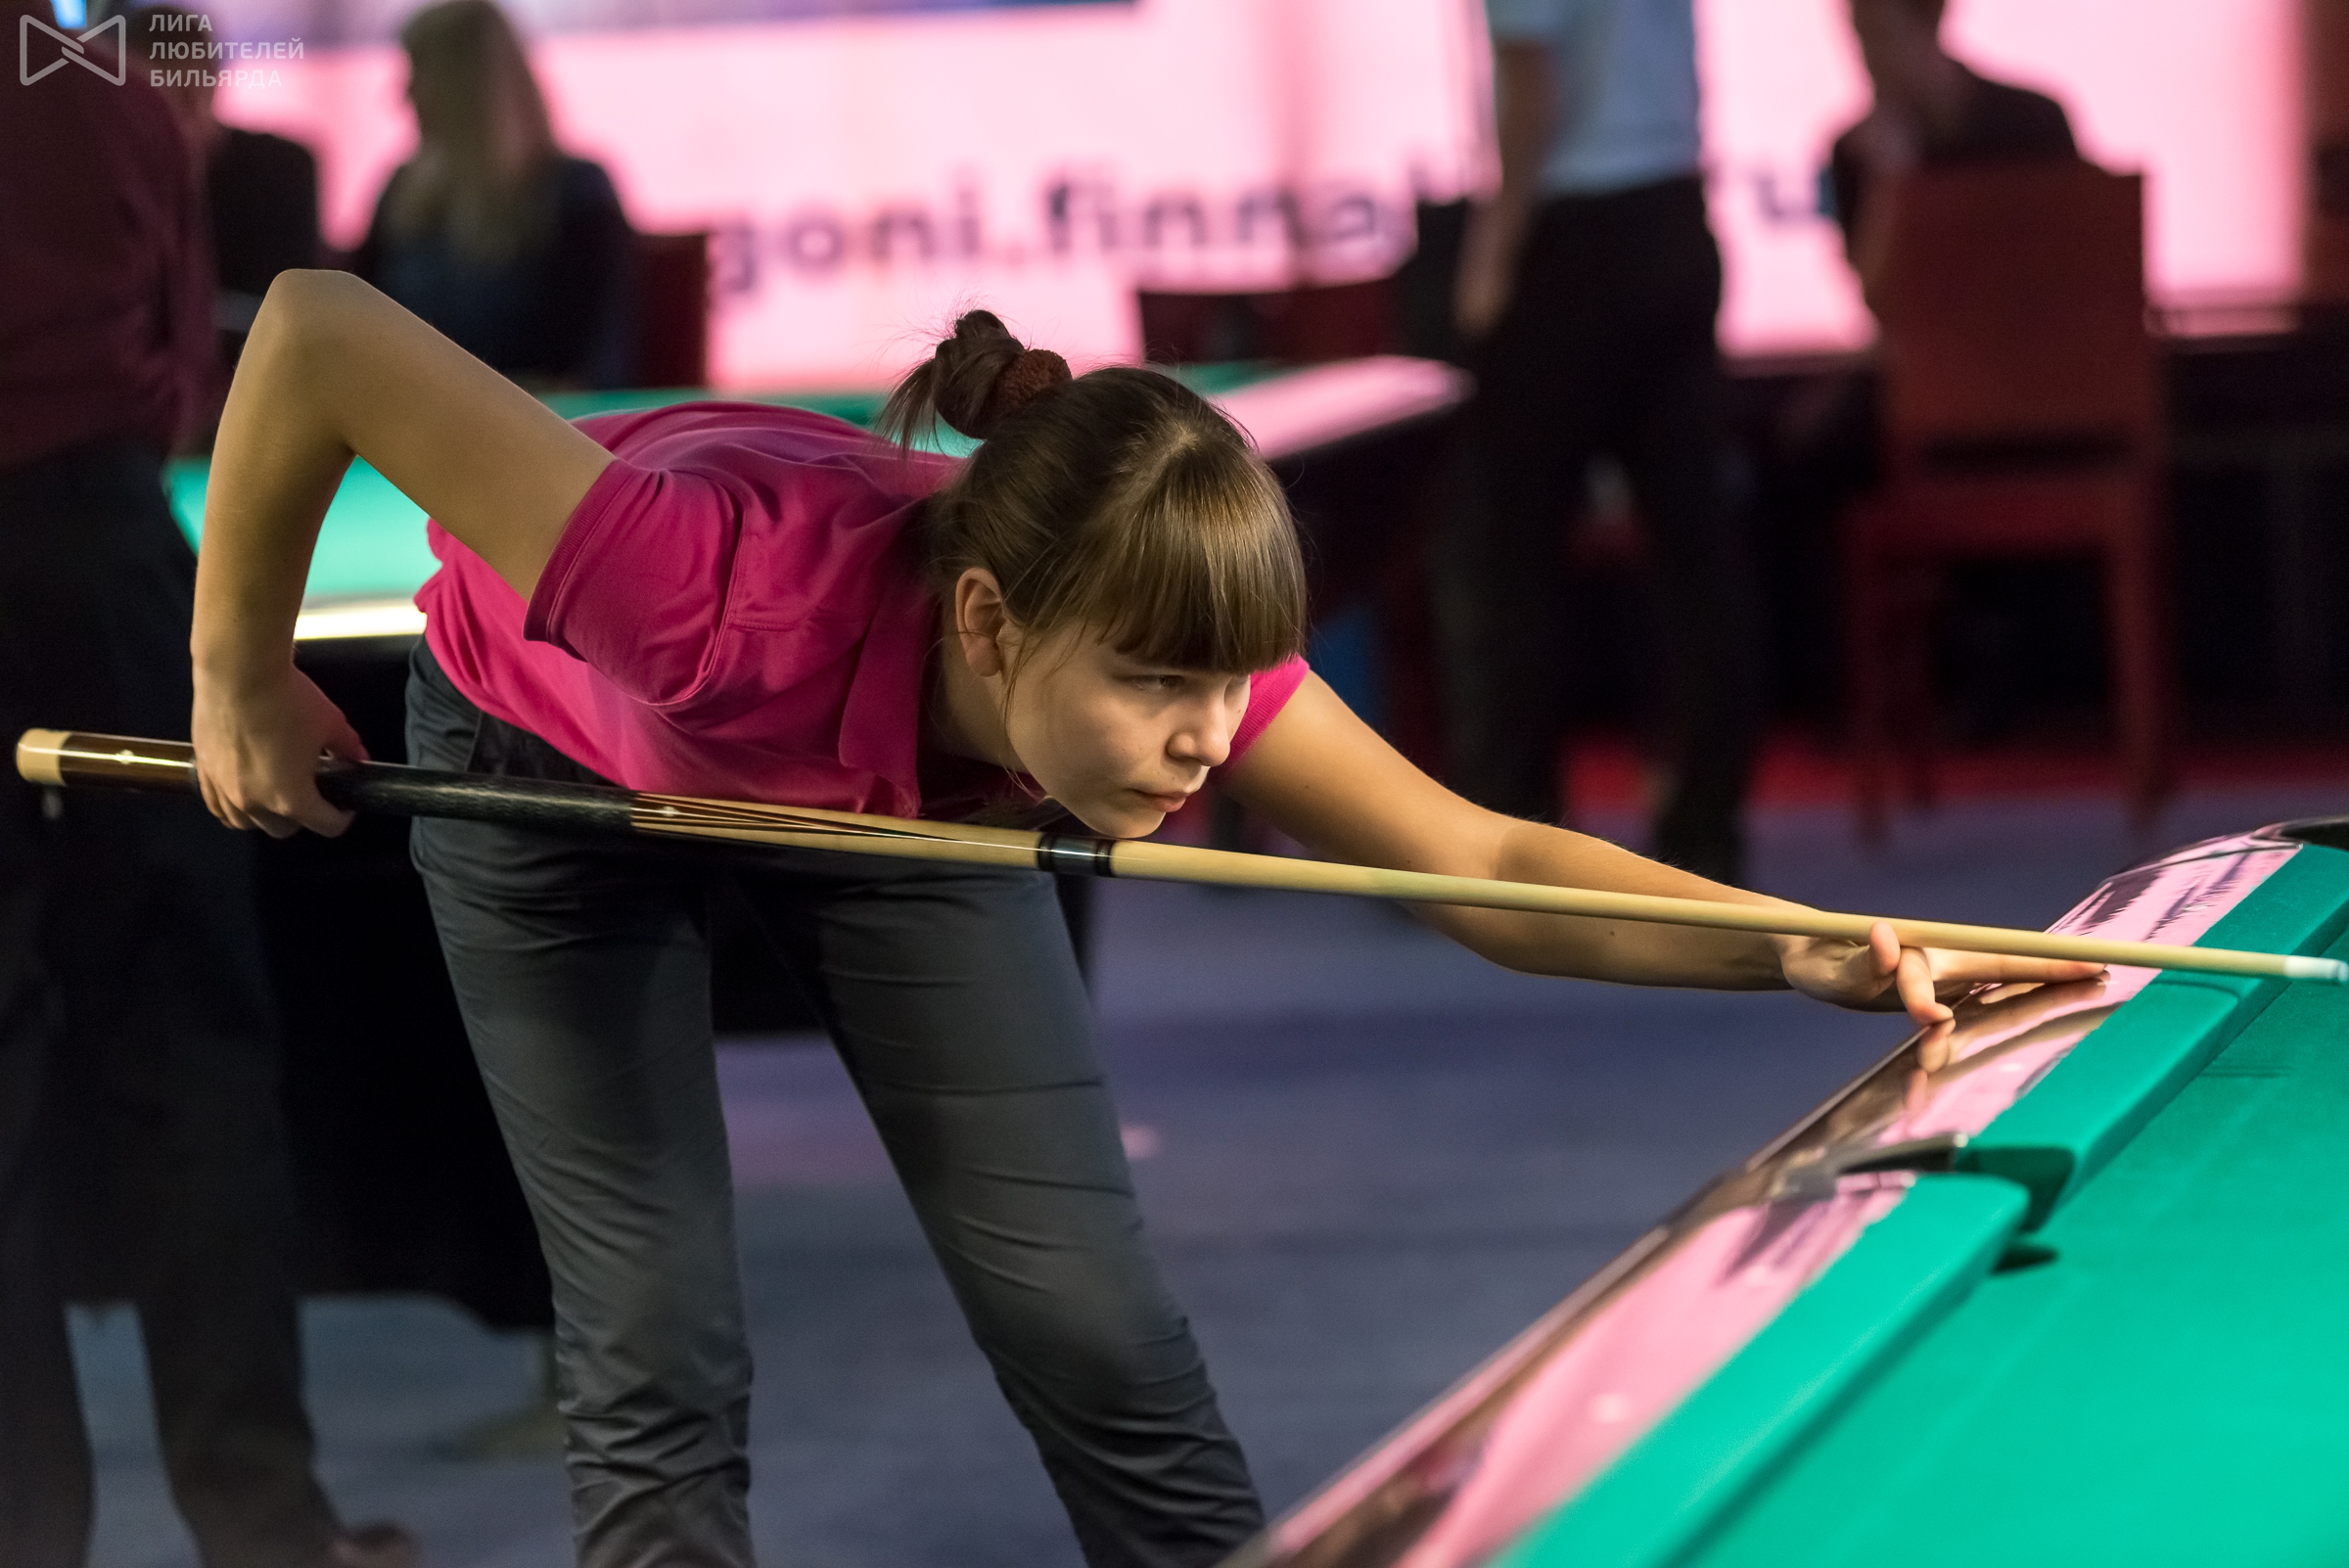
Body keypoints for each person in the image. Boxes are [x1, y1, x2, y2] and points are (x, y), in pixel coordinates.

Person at [186, 270, 2096, 1568]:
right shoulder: (704, 591)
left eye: (1228, 691)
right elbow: (323, 327)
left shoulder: (1152, 655)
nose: (1205, 743)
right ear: (994, 624)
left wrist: (1808, 945)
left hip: (906, 788)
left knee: (1096, 1328)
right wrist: (240, 673)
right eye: (1162, 691)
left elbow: (1489, 866)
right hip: (548, 766)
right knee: (656, 1343)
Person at [0, 12, 409, 1566]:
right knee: (191, 1040)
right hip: (101, 554)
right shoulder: (98, 82)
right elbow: (185, 370)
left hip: (83, 537)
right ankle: (265, 1523)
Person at [1437, 0, 1764, 886]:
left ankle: (1513, 830)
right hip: (1674, 212)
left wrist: (1491, 254)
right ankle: (1707, 828)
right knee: (1697, 552)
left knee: (1510, 552)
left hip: (1571, 234)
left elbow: (1530, 79)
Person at [1756, 0, 2081, 735]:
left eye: (1877, 36)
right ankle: (1856, 693)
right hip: (1925, 382)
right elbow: (1877, 300)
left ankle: (2005, 662)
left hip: (2036, 382)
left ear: (1927, 24)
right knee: (1807, 446)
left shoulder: (2032, 122)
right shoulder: (1855, 149)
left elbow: (2068, 270)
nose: (1866, 58)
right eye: (1856, 38)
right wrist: (1896, 181)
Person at [352, 0, 635, 392]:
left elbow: (587, 367)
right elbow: (351, 327)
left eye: (419, 73)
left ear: (468, 85)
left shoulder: (577, 196)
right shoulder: (401, 192)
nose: (404, 96)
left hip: (542, 423)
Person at [128, 3, 325, 380]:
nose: (171, 115)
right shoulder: (120, 182)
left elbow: (293, 310)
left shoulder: (278, 171)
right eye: (157, 100)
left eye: (184, 94)